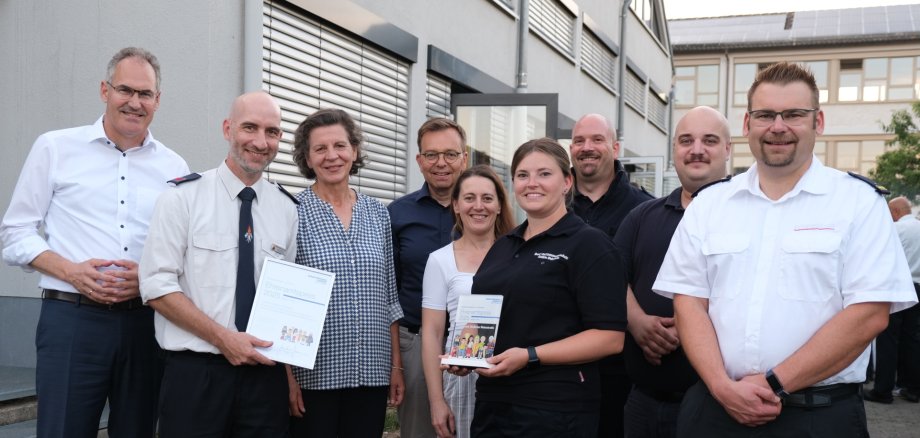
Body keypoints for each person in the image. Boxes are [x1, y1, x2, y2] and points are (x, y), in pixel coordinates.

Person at [652, 62, 918, 436]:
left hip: (818, 418)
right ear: (747, 125)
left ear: (818, 121)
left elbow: (870, 313)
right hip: (714, 409)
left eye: (794, 114)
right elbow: (689, 302)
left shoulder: (858, 202)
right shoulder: (710, 205)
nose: (778, 126)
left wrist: (772, 384)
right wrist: (720, 385)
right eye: (764, 115)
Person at [0, 47, 188, 438]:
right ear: (105, 90)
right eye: (125, 90)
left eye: (145, 94)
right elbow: (14, 232)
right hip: (71, 320)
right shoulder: (54, 147)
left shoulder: (174, 167)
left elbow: (181, 248)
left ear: (158, 100)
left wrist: (149, 278)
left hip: (144, 323)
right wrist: (70, 270)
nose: (135, 102)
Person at [139, 91, 297, 437]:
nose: (260, 141)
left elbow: (284, 298)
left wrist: (287, 374)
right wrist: (224, 339)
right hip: (197, 374)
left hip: (264, 376)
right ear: (227, 129)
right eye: (250, 128)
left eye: (272, 132)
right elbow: (156, 286)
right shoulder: (181, 198)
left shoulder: (286, 209)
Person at [467, 138, 626, 437]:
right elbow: (484, 318)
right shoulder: (503, 245)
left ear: (567, 182)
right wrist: (466, 356)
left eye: (544, 174)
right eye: (523, 175)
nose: (532, 184)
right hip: (493, 402)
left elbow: (609, 338)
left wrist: (530, 355)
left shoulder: (589, 244)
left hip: (554, 409)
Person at [612, 106, 731, 437]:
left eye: (709, 140)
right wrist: (636, 322)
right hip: (644, 404)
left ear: (728, 149)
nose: (696, 150)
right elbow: (611, 277)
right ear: (674, 150)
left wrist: (691, 325)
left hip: (719, 407)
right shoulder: (641, 217)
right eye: (686, 140)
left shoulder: (750, 217)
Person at [285, 108, 404, 436]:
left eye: (340, 146)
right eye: (320, 149)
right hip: (314, 375)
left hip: (372, 371)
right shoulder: (292, 213)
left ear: (354, 151)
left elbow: (389, 298)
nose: (331, 156)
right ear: (307, 159)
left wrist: (395, 366)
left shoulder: (378, 213)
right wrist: (288, 378)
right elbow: (281, 303)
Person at [569, 113, 652, 438]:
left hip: (621, 373)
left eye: (597, 140)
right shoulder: (550, 206)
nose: (587, 148)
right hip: (560, 369)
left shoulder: (644, 210)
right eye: (579, 141)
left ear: (615, 147)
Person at [421, 165, 515, 438]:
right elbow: (432, 332)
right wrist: (437, 401)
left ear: (499, 205)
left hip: (514, 374)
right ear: (456, 205)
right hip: (460, 377)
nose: (479, 206)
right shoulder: (440, 260)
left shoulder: (518, 253)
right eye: (469, 198)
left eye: (487, 198)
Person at [389, 117, 469, 438]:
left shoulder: (485, 209)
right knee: (420, 431)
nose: (441, 163)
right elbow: (388, 293)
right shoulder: (397, 214)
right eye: (432, 155)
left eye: (450, 154)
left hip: (475, 341)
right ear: (419, 161)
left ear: (465, 158)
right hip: (417, 341)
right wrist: (396, 361)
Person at [864, 196, 920, 404]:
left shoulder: (896, 230)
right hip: (918, 287)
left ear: (895, 211)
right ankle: (912, 387)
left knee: (887, 340)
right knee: (912, 339)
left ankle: (883, 389)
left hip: (897, 287)